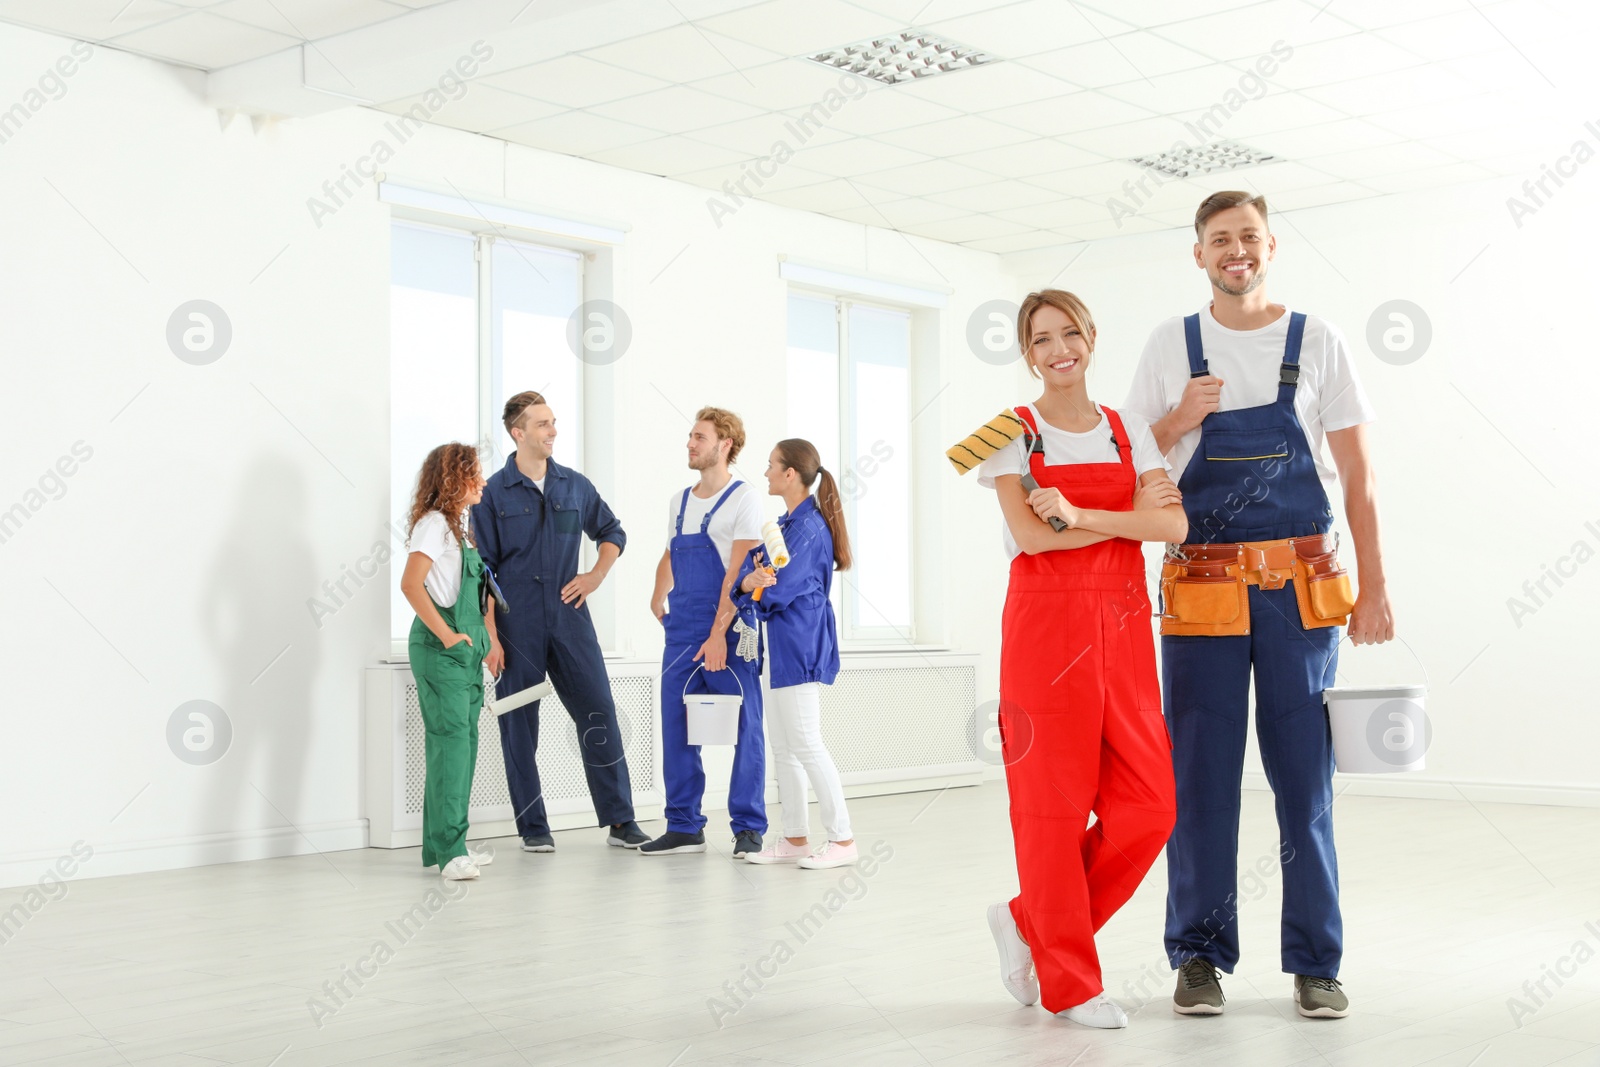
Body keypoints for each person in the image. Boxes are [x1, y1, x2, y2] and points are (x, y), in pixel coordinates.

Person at [1123, 191, 1394, 1020]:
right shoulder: (1172, 342)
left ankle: (1316, 961)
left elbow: (1358, 477)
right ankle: (1199, 956)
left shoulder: (1319, 340)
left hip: (1299, 593)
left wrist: (1375, 585)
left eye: (1248, 237)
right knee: (1199, 777)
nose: (1235, 250)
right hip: (1202, 591)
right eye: (1219, 240)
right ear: (1198, 254)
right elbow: (1133, 460)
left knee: (1304, 781)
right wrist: (1179, 416)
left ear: (1270, 246)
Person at [975, 289, 1183, 1028]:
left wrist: (1086, 513)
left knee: (1152, 805)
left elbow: (1174, 521)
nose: (1058, 348)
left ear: (1092, 338)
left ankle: (1029, 918)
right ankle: (1069, 982)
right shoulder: (1010, 433)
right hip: (1046, 630)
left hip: (1123, 628)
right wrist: (1126, 526)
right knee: (1051, 812)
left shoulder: (1131, 433)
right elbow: (1032, 541)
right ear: (1026, 353)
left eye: (1070, 332)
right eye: (1041, 339)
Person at [471, 391, 649, 852]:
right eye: (543, 424)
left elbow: (612, 532)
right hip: (517, 623)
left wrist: (594, 575)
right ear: (518, 433)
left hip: (570, 617)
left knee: (599, 713)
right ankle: (534, 828)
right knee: (518, 726)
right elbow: (482, 573)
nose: (552, 431)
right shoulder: (491, 493)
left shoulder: (575, 486)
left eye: (553, 422)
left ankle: (620, 821)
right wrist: (491, 637)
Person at [641, 408, 768, 857]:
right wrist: (657, 595)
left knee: (746, 726)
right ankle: (684, 825)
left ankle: (748, 827)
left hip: (730, 630)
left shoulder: (744, 499)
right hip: (681, 630)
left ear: (725, 444)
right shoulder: (679, 500)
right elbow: (672, 552)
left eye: (700, 437)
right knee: (675, 724)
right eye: (690, 436)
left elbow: (737, 572)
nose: (690, 444)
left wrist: (718, 634)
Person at [733, 440, 856, 870]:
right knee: (785, 746)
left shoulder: (807, 529)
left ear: (790, 475)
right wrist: (750, 582)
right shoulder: (787, 524)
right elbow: (754, 578)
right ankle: (795, 837)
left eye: (771, 466)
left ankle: (842, 841)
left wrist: (753, 584)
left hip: (800, 643)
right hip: (781, 645)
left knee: (806, 742)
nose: (765, 473)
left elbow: (774, 589)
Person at [400, 443, 497, 881]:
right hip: (442, 650)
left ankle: (446, 845)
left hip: (465, 652)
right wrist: (449, 637)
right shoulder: (435, 525)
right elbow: (410, 584)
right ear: (455, 477)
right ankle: (451, 851)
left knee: (462, 746)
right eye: (475, 473)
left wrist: (485, 641)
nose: (483, 480)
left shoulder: (459, 529)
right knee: (451, 746)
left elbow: (477, 597)